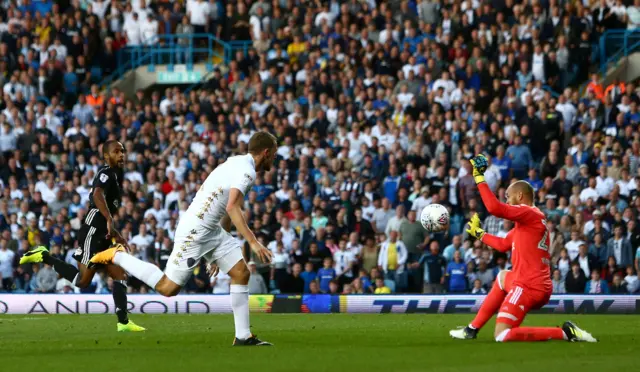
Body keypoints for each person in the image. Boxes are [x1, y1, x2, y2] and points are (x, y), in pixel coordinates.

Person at [90, 132, 277, 346]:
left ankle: (243, 336)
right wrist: (253, 241)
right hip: (195, 231)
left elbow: (226, 207)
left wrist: (219, 248)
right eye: (274, 154)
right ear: (266, 152)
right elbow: (232, 206)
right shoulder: (247, 171)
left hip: (212, 230)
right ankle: (118, 256)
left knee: (241, 272)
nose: (275, 158)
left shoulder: (236, 162)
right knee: (168, 289)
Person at [450, 154, 596, 343]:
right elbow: (503, 245)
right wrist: (479, 234)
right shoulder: (526, 222)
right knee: (503, 276)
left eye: (508, 197)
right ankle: (472, 328)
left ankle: (565, 333)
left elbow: (495, 208)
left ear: (520, 196)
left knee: (502, 335)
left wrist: (479, 177)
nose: (507, 202)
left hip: (528, 286)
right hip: (529, 282)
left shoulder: (529, 213)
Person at [19, 140, 144, 332]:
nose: (121, 155)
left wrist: (116, 233)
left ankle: (123, 323)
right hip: (92, 231)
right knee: (82, 281)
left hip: (102, 234)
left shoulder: (115, 176)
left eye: (123, 151)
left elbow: (106, 207)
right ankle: (44, 256)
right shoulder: (105, 173)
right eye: (116, 151)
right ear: (106, 155)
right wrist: (109, 220)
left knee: (119, 274)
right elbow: (96, 195)